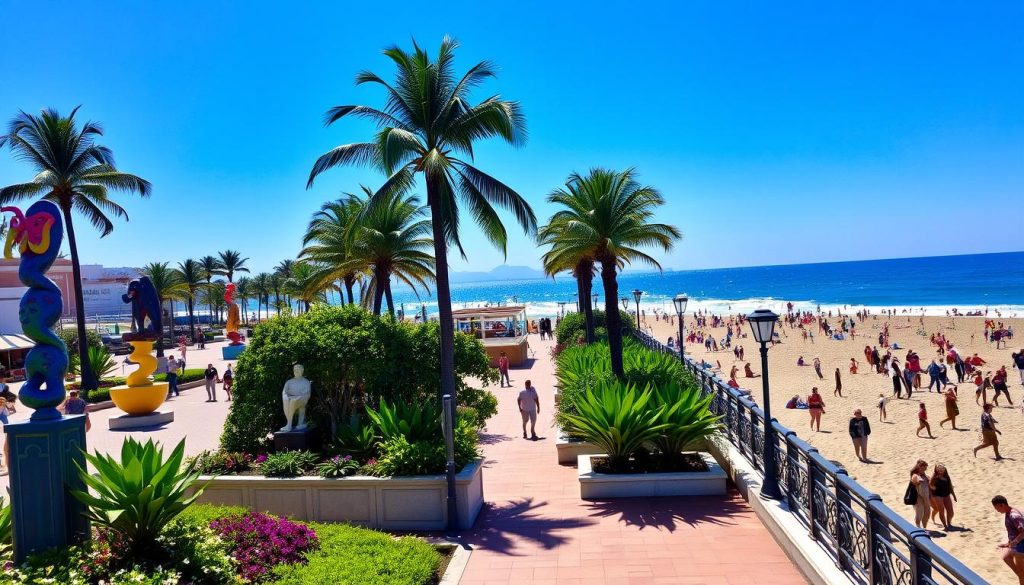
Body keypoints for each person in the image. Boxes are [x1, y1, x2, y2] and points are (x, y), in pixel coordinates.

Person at [992, 495, 1024, 584]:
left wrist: (1014, 542)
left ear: (1002, 505)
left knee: (1022, 575)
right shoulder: (1008, 512)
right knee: (1006, 557)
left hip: (1021, 546)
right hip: (1017, 544)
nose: (997, 511)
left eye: (997, 508)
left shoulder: (1014, 515)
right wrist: (1008, 543)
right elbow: (1013, 531)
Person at [929, 464, 956, 530]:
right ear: (937, 469)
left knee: (951, 512)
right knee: (942, 511)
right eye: (939, 468)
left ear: (945, 469)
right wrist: (933, 490)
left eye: (942, 468)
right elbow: (930, 485)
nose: (941, 470)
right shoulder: (935, 476)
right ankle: (945, 525)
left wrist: (954, 495)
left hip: (946, 494)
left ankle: (949, 523)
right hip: (937, 495)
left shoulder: (946, 476)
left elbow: (950, 487)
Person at [910, 460, 931, 529]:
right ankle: (918, 527)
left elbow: (931, 484)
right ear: (918, 467)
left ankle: (924, 527)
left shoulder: (926, 476)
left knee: (927, 513)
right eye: (922, 468)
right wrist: (919, 480)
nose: (924, 470)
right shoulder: (915, 475)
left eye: (925, 469)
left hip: (926, 497)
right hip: (918, 497)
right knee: (919, 513)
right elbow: (915, 481)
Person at [0, 397, 14, 475]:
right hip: (5, 432)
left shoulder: (3, 410)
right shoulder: (4, 409)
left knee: (6, 450)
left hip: (4, 432)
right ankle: (7, 468)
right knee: (5, 450)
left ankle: (8, 469)